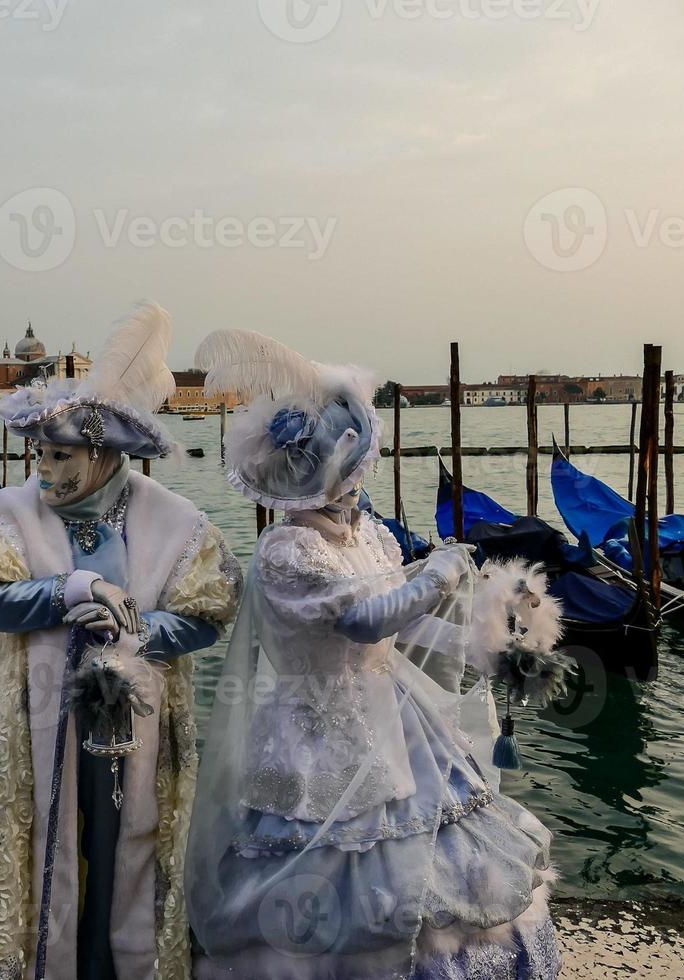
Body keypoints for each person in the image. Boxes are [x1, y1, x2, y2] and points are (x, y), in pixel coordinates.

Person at [185, 330, 563, 979]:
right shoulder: (287, 552)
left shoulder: (374, 537)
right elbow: (363, 621)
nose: (359, 483)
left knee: (444, 848)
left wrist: (487, 643)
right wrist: (439, 575)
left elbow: (402, 635)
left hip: (396, 719)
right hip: (317, 736)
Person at [0, 302, 242, 980]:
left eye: (61, 455)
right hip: (39, 723)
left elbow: (209, 612)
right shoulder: (7, 515)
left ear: (104, 454)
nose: (45, 470)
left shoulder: (174, 520)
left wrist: (140, 631)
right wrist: (68, 591)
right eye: (39, 454)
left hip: (140, 726)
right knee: (49, 844)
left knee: (128, 847)